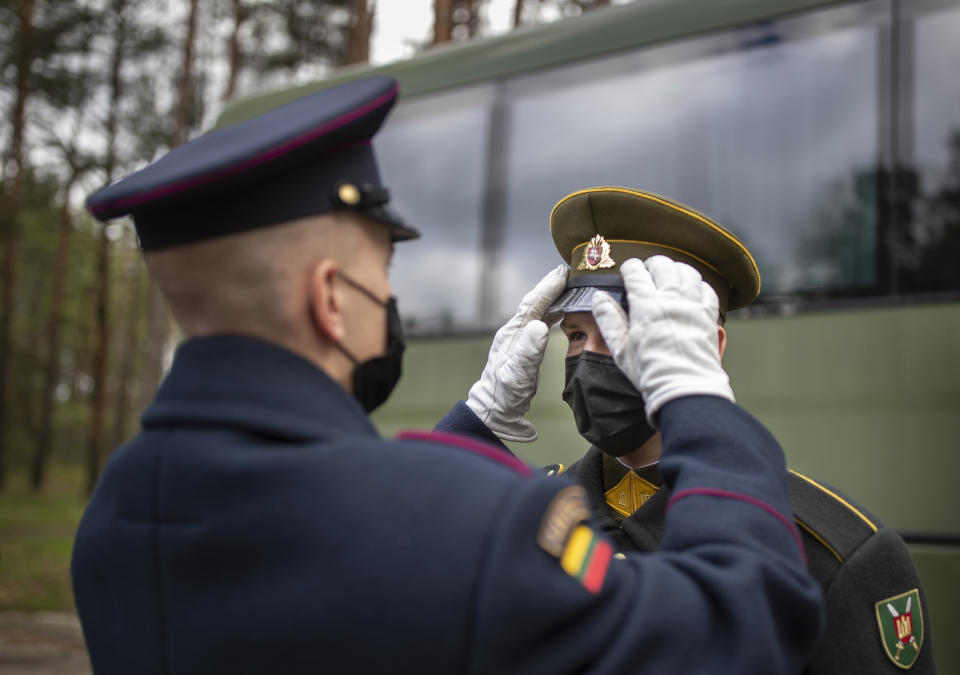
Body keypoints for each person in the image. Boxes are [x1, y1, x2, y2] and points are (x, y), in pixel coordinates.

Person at [71, 77, 823, 674]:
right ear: (330, 297)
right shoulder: (471, 526)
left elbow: (386, 540)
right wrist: (696, 396)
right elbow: (736, 628)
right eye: (383, 270)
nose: (392, 299)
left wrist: (475, 425)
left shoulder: (118, 514)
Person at [441, 187, 934, 674]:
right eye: (574, 334)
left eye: (618, 328)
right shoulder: (535, 514)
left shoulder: (834, 551)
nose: (587, 356)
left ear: (708, 346)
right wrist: (477, 419)